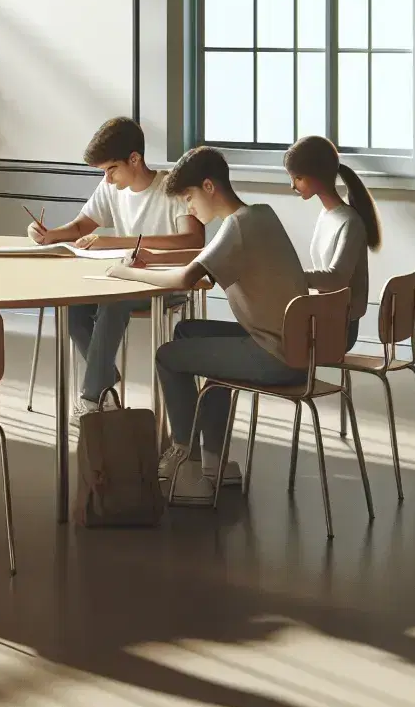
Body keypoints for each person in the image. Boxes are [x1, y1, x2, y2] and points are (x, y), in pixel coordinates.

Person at [105, 146, 308, 504]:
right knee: (188, 333)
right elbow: (201, 260)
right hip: (292, 347)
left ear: (209, 187)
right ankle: (217, 462)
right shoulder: (260, 214)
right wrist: (154, 259)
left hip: (275, 356)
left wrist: (124, 271)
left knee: (168, 356)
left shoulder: (237, 227)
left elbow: (185, 279)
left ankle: (189, 463)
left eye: (188, 197)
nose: (188, 209)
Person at [28, 117, 204, 418]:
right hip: (123, 278)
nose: (107, 179)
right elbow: (84, 224)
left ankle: (93, 398)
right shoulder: (111, 188)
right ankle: (105, 379)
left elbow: (193, 239)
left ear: (134, 159)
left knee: (113, 301)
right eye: (104, 172)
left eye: (111, 170)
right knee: (73, 307)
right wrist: (52, 234)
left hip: (163, 281)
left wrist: (118, 241)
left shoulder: (172, 187)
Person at [285, 135, 381, 352]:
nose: (292, 186)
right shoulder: (327, 215)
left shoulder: (350, 222)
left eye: (297, 178)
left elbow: (336, 277)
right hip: (324, 314)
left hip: (339, 327)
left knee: (266, 336)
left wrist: (290, 274)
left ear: (316, 176)